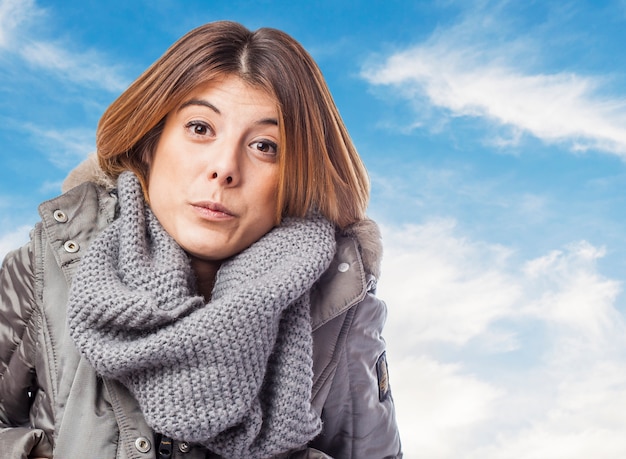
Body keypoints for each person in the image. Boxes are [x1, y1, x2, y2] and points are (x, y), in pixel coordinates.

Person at [0, 21, 402, 459]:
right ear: (151, 142)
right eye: (200, 128)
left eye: (266, 146)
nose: (224, 168)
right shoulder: (48, 267)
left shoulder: (337, 302)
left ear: (295, 177)